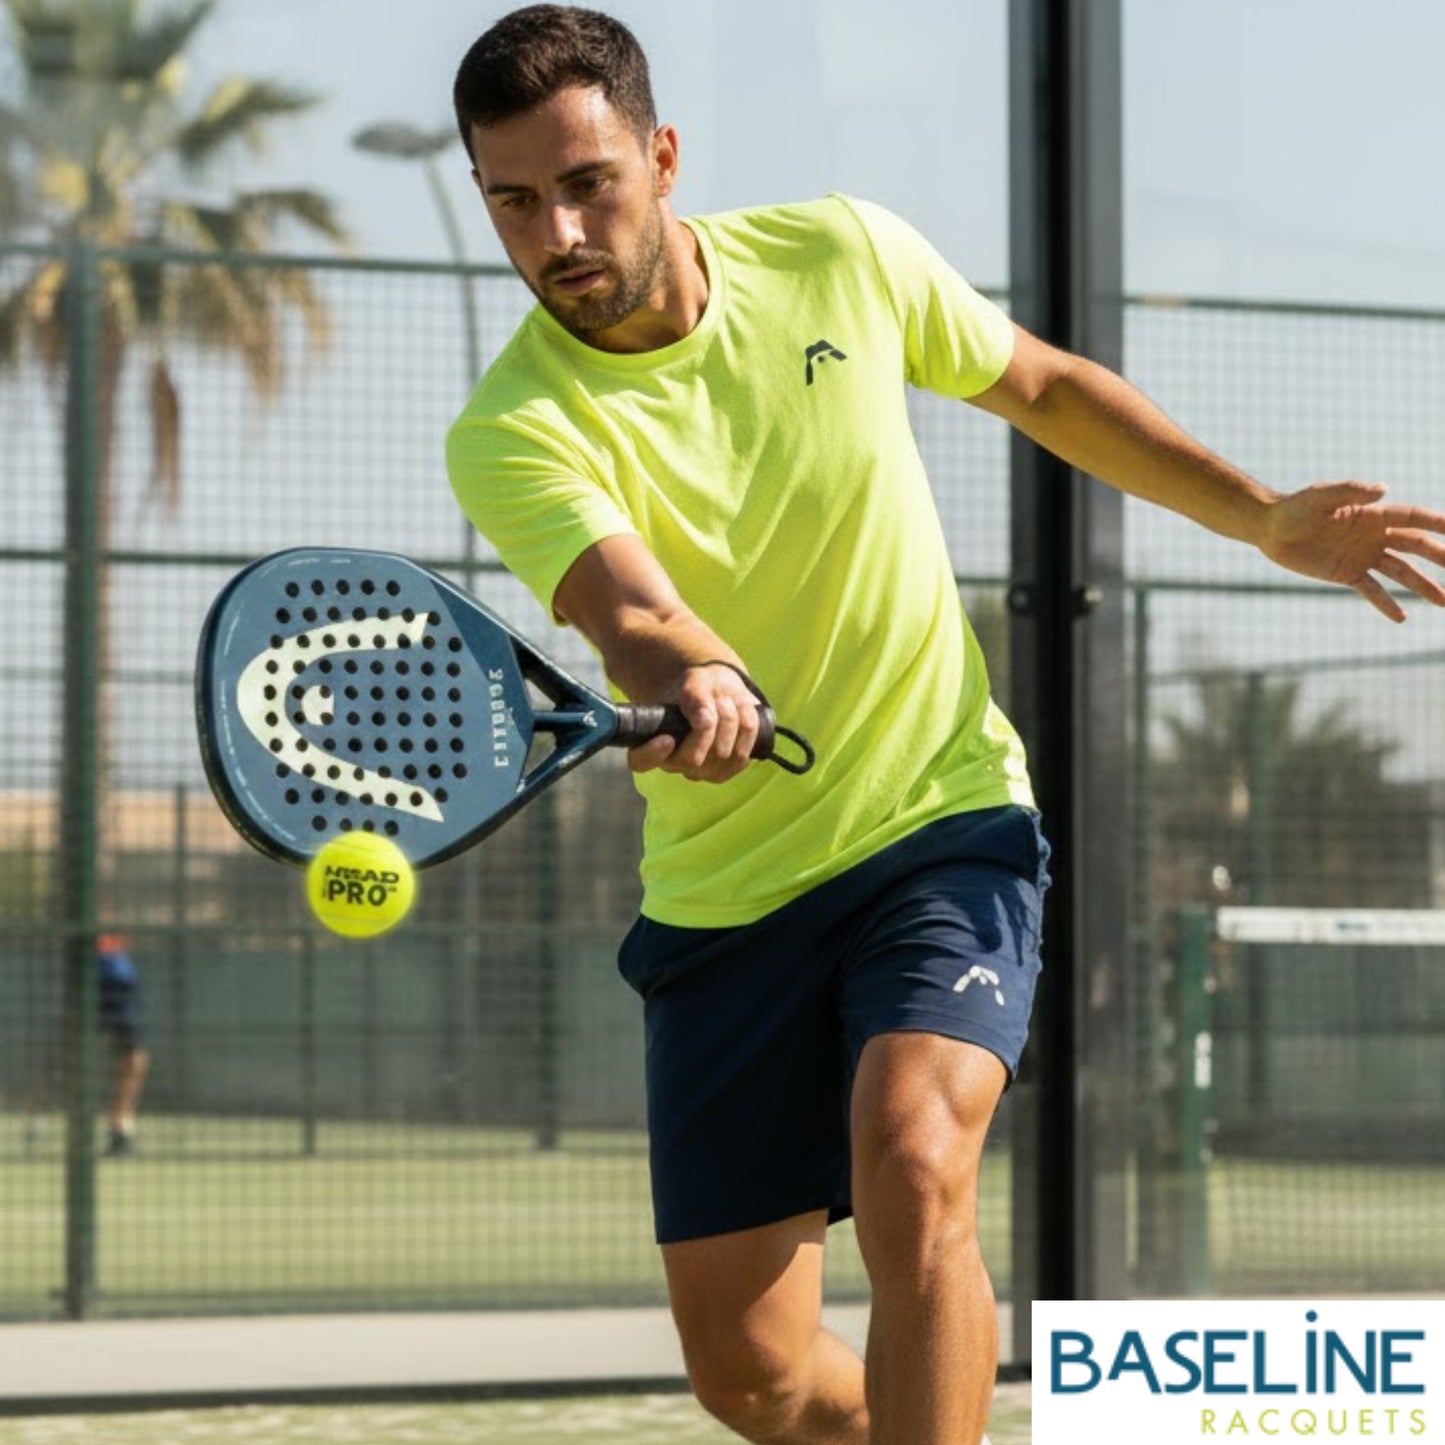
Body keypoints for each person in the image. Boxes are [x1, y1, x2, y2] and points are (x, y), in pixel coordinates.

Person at [444, 10, 1445, 1442]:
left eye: (588, 181)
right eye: (515, 203)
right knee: (758, 1379)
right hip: (727, 899)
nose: (560, 232)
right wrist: (705, 672)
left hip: (938, 824)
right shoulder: (510, 424)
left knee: (915, 1162)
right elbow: (634, 607)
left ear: (662, 158)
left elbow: (1036, 383)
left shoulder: (841, 253)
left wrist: (1261, 516)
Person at [96, 934, 150, 1156]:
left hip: (124, 989)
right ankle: (37, 1117)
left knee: (135, 1059)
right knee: (67, 1058)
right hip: (94, 984)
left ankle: (120, 1127)